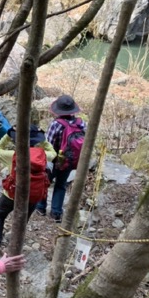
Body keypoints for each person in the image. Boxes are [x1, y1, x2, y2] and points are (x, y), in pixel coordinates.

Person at [0, 113, 56, 255]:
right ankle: (14, 247)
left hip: (11, 194)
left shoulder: (13, 155)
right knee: (22, 220)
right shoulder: (44, 156)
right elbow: (54, 152)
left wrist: (9, 135)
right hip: (33, 195)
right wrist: (43, 139)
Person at [35, 95, 87, 223]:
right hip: (70, 161)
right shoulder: (81, 124)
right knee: (61, 185)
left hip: (54, 161)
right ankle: (56, 213)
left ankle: (41, 207)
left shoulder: (56, 125)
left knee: (44, 182)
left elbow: (49, 144)